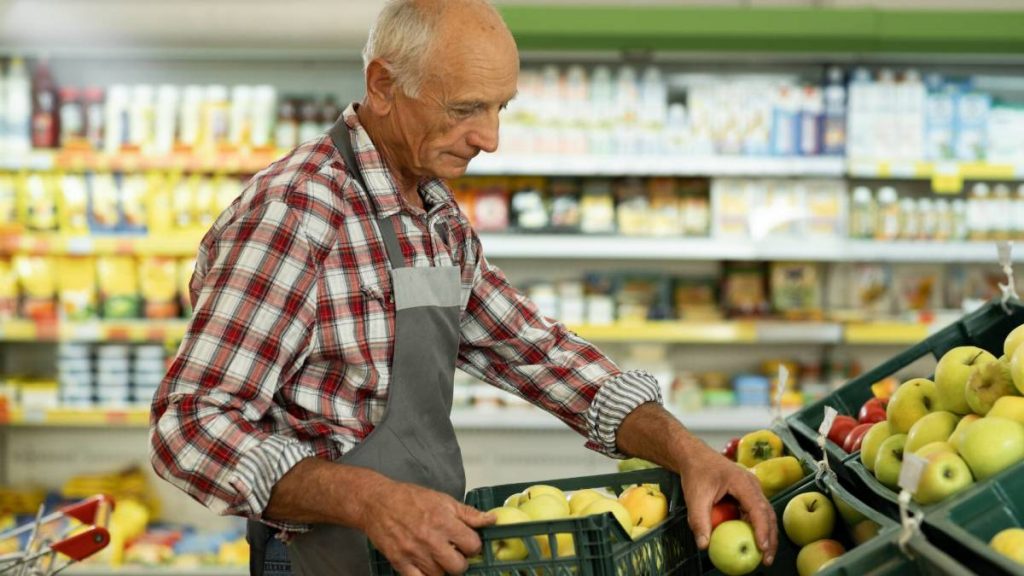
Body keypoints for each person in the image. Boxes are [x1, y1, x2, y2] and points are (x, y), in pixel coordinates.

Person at [149, 1, 778, 574]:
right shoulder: (298, 212)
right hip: (319, 557)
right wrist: (369, 500)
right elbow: (191, 425)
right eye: (465, 109)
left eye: (500, 107)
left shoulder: (434, 214)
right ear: (383, 86)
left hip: (421, 548)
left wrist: (687, 452)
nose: (490, 138)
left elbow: (538, 352)